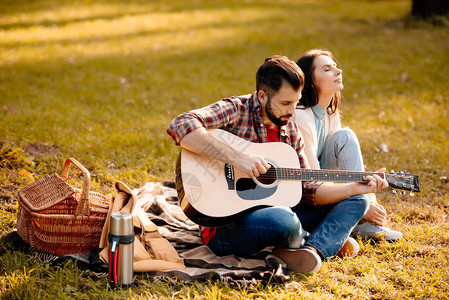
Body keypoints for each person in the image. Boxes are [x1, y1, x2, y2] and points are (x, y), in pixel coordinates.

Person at [167, 55, 388, 274]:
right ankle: (320, 240)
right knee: (284, 220)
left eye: (296, 101)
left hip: (281, 210)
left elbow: (308, 188)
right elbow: (181, 124)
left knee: (358, 202)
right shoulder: (236, 109)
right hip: (225, 225)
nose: (292, 111)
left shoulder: (290, 129)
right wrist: (237, 158)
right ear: (262, 96)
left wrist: (353, 188)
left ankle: (312, 251)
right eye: (285, 103)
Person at [293, 49, 402, 241]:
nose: (338, 71)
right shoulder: (301, 116)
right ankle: (361, 215)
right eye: (327, 69)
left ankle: (367, 220)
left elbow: (341, 162)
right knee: (346, 136)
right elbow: (313, 180)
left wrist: (365, 199)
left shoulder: (329, 113)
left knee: (345, 136)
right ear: (310, 81)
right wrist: (359, 203)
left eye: (335, 66)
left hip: (323, 184)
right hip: (304, 192)